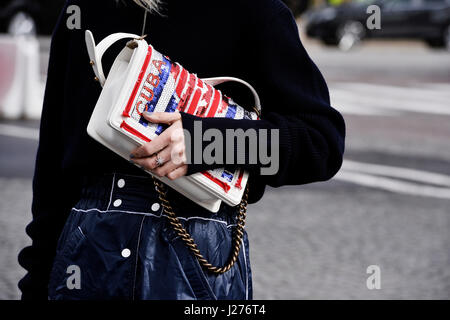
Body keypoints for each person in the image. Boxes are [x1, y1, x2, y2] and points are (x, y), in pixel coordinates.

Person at [18, 0, 345, 300]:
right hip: (85, 256)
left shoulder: (252, 9)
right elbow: (52, 173)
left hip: (194, 251)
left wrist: (208, 143)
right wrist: (34, 286)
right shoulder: (84, 8)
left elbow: (321, 142)